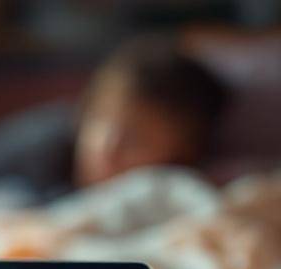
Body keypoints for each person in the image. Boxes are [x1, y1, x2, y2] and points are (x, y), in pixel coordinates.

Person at [73, 36, 229, 188]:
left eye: (134, 140)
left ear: (180, 154)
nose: (106, 148)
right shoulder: (51, 154)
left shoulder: (180, 190)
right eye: (98, 120)